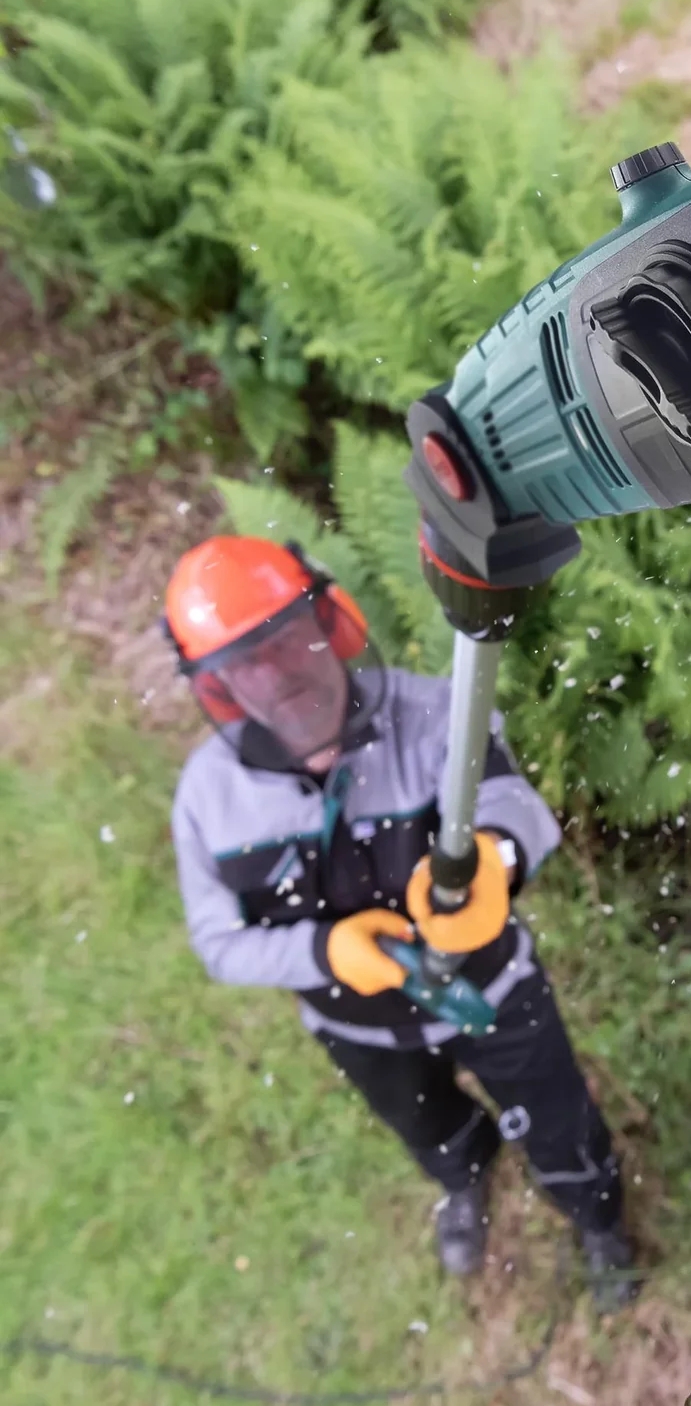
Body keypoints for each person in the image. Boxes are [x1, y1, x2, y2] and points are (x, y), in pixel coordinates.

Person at [162, 534, 638, 1309]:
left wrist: (494, 861)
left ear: (331, 620)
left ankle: (597, 1218)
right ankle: (464, 1178)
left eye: (285, 638)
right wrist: (324, 951)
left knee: (559, 1118)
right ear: (217, 689)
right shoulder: (209, 800)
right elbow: (219, 945)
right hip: (358, 1028)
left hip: (494, 992)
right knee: (426, 1125)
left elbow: (516, 807)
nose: (277, 675)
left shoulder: (435, 714)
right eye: (247, 663)